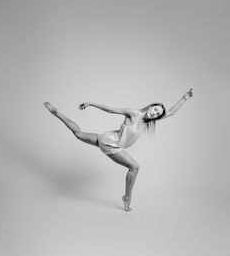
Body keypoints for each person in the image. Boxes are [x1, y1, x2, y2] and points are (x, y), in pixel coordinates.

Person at [43, 88, 193, 211]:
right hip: (111, 144)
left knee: (79, 134)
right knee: (134, 167)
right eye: (155, 109)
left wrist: (184, 98)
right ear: (150, 106)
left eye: (158, 113)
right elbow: (110, 110)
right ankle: (127, 197)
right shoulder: (134, 113)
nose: (155, 113)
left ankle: (57, 113)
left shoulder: (148, 122)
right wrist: (90, 103)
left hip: (108, 139)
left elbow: (171, 112)